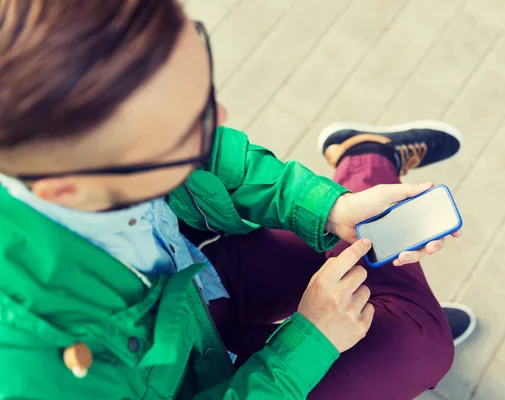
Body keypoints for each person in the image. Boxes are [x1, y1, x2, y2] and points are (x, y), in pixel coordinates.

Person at [0, 1, 474, 399]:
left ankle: (393, 317)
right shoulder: (39, 373)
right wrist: (308, 342)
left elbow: (212, 160)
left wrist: (331, 208)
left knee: (383, 298)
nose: (221, 117)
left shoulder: (78, 143)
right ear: (68, 191)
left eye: (204, 90)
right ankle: (369, 170)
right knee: (418, 343)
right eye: (190, 127)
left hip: (198, 284)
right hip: (193, 374)